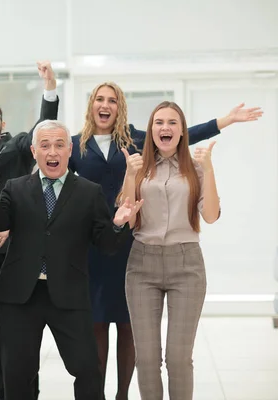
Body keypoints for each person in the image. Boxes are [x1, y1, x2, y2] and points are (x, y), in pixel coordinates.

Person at [68, 82, 263, 399]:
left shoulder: (135, 142)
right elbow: (59, 174)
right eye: (99, 99)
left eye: (112, 100)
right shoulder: (78, 145)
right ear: (91, 105)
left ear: (121, 107)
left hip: (140, 246)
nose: (105, 105)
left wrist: (223, 122)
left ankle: (122, 394)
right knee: (103, 328)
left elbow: (185, 135)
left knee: (160, 348)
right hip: (102, 246)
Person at [0, 119, 143, 400]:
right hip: (19, 296)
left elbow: (107, 244)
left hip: (69, 293)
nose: (52, 152)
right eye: (44, 145)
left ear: (69, 150)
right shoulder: (14, 188)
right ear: (34, 151)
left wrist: (118, 223)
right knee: (16, 375)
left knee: (88, 371)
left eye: (58, 145)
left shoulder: (89, 192)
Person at [119, 101, 221, 400]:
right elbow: (129, 221)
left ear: (182, 131)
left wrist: (209, 169)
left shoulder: (194, 169)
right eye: (159, 122)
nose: (165, 127)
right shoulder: (139, 167)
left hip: (186, 265)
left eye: (172, 122)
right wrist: (129, 175)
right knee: (147, 359)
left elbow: (212, 215)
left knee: (178, 359)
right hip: (142, 265)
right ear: (151, 130)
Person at [0, 60, 59, 400]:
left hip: (15, 259)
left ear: (2, 123)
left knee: (21, 339)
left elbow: (44, 126)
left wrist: (49, 87)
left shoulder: (19, 146)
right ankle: (2, 394)